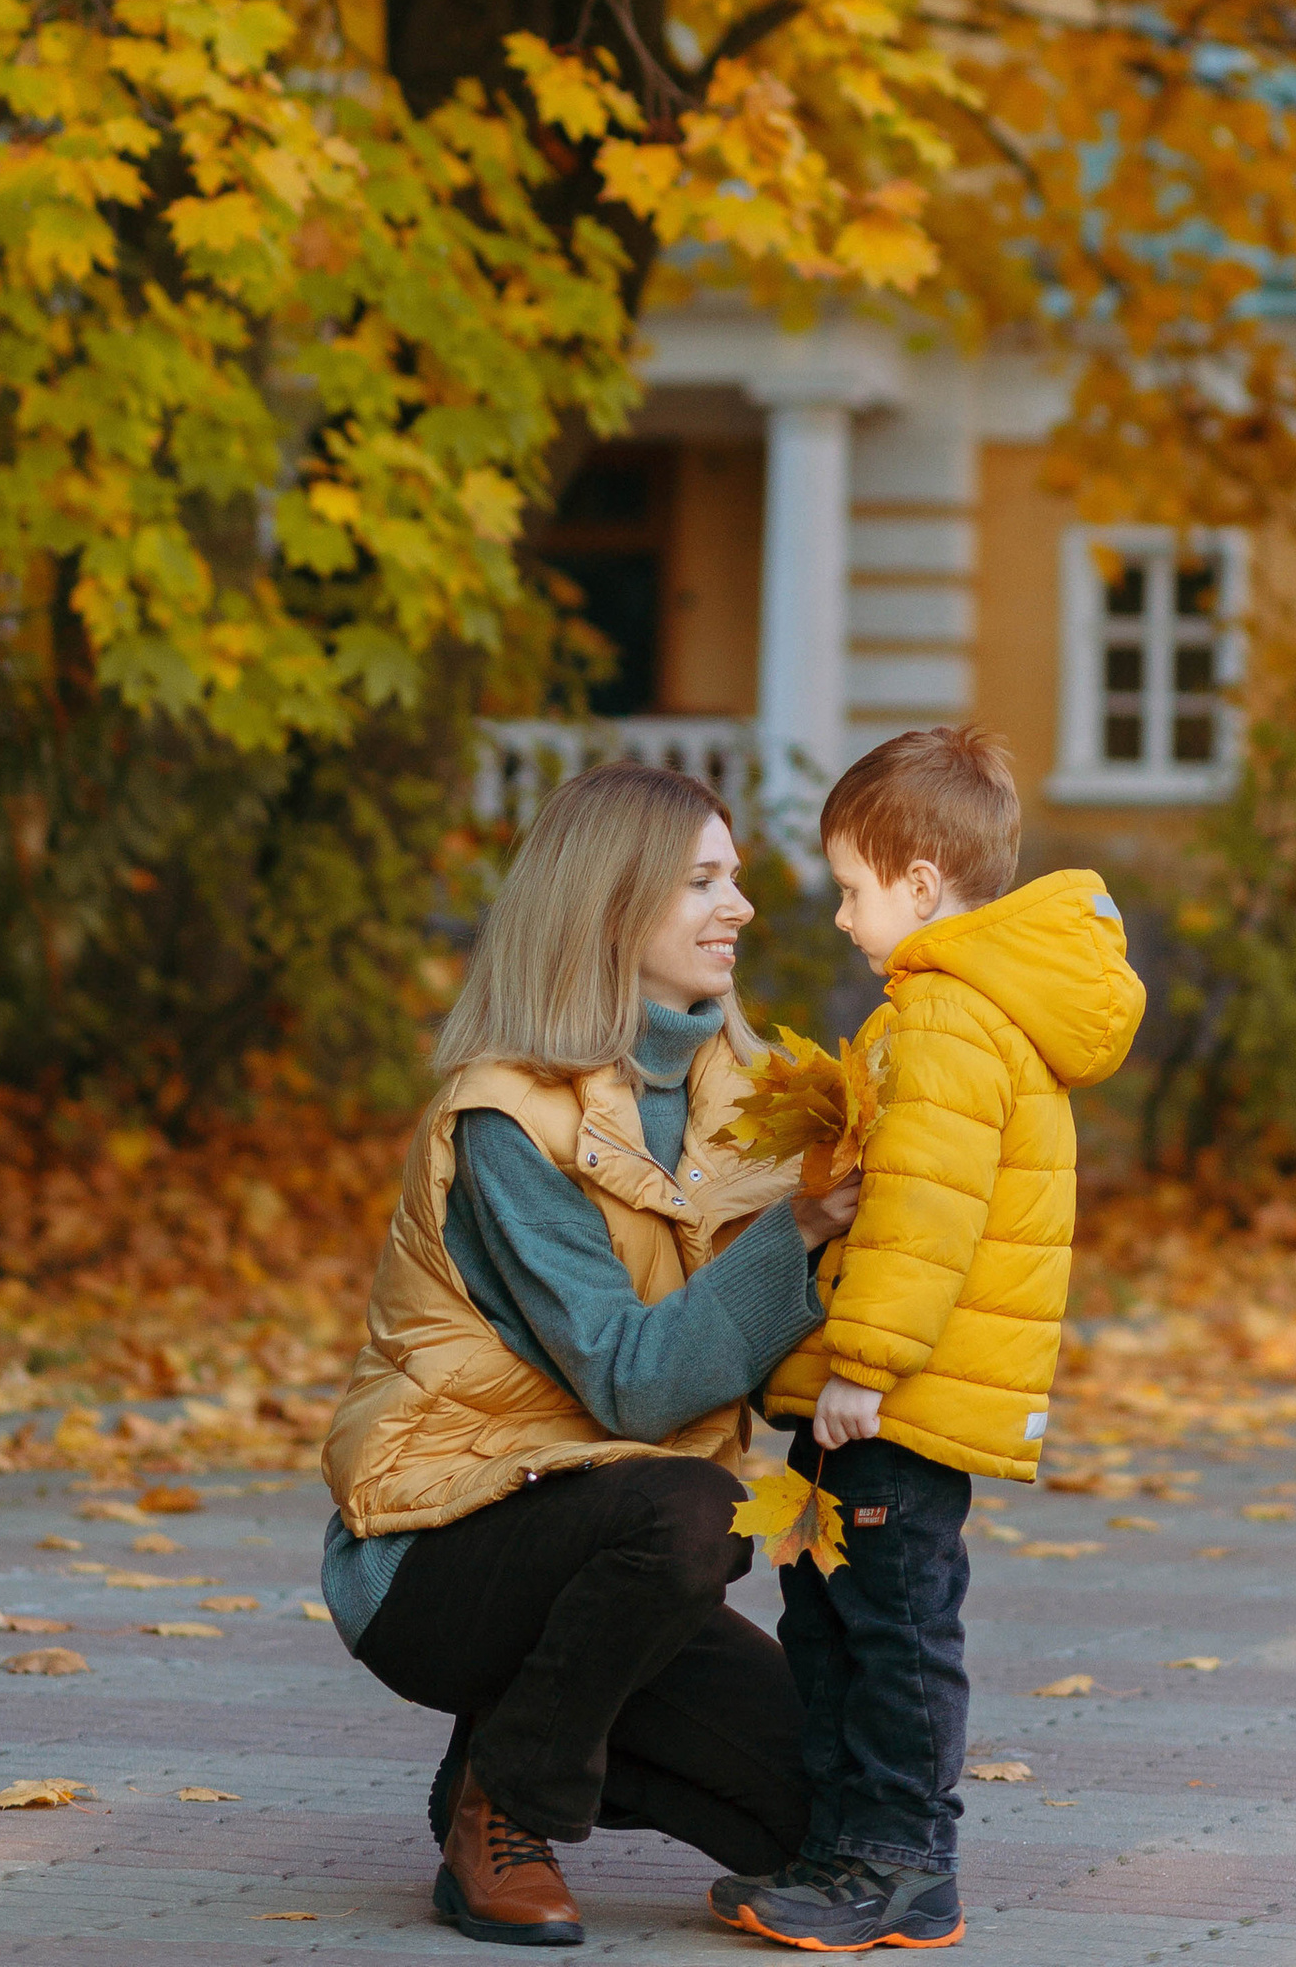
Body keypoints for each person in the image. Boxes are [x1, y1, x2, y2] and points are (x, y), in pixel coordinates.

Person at [319, 758, 861, 1949]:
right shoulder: (510, 1114)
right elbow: (636, 1379)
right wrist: (802, 1230)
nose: (742, 908)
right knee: (691, 1510)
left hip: (630, 1556)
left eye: (738, 878)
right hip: (444, 1545)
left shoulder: (762, 1099)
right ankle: (505, 1811)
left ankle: (511, 1744)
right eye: (703, 881)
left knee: (841, 1819)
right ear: (611, 905)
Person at [721, 729, 1147, 1955]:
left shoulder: (951, 1021)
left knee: (895, 1634)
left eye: (852, 888)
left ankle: (903, 1862)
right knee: (831, 1621)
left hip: (893, 1405)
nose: (844, 914)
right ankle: (839, 1849)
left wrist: (861, 1363)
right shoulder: (934, 1013)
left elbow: (926, 1215)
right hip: (867, 1402)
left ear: (918, 884)